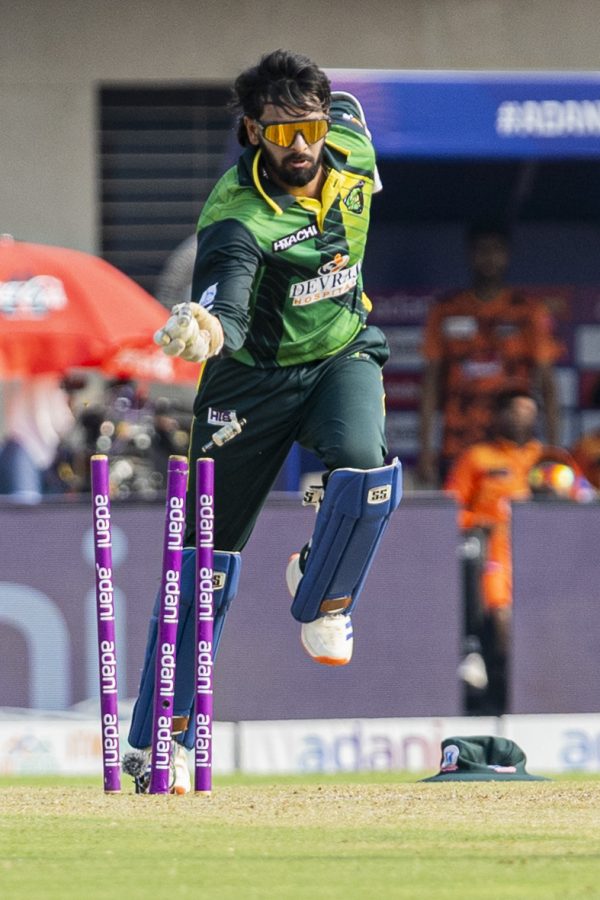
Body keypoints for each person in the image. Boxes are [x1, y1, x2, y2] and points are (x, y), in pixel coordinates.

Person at [126, 49, 400, 793]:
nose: (301, 146)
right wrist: (207, 327)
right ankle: (162, 739)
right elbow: (228, 307)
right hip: (250, 385)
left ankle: (323, 590)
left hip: (340, 352)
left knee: (370, 471)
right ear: (253, 132)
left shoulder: (349, 134)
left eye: (308, 127)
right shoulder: (237, 215)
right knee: (201, 561)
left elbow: (346, 120)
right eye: (281, 134)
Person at [445, 388, 593, 715]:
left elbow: (583, 499)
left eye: (528, 410)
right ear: (498, 415)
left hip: (551, 558)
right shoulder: (478, 457)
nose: (520, 417)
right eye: (513, 410)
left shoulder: (552, 459)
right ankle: (499, 697)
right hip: (498, 552)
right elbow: (448, 510)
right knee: (500, 619)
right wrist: (481, 520)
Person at [417, 223, 561, 486]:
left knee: (522, 518)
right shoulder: (446, 309)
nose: (489, 258)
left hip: (515, 442)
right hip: (459, 438)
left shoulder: (527, 311)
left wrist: (552, 450)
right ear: (470, 255)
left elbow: (548, 386)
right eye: (482, 250)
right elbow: (430, 384)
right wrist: (425, 452)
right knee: (457, 520)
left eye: (496, 250)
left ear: (508, 255)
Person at [0, 374, 76, 503]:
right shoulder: (48, 380)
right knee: (25, 514)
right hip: (27, 450)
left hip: (22, 448)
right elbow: (61, 422)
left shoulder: (26, 377)